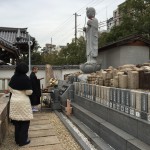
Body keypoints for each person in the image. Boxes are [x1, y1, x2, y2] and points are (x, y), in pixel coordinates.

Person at [9, 62, 33, 146]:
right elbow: (29, 92)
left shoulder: (13, 77)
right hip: (23, 101)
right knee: (25, 121)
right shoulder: (26, 78)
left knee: (17, 121)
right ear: (25, 70)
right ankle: (23, 141)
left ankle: (17, 140)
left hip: (14, 100)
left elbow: (10, 89)